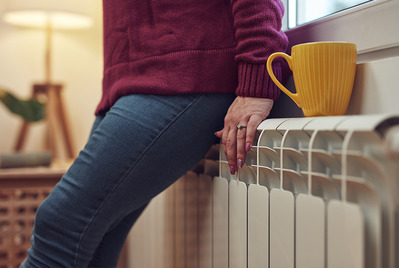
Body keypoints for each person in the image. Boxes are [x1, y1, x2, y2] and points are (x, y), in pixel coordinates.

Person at [21, 0, 288, 266]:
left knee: (59, 224)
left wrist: (258, 73)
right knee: (95, 248)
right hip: (129, 83)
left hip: (187, 72)